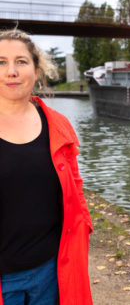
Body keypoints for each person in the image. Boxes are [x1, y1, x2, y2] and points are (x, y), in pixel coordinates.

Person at [0, 28, 93, 305]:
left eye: (21, 61)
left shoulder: (58, 124)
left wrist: (84, 224)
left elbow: (75, 184)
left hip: (52, 271)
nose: (11, 71)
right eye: (0, 62)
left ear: (37, 70)